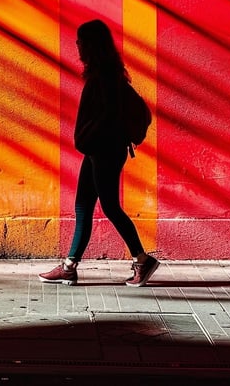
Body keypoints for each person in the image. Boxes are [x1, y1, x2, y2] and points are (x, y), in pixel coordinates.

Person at [39, 19, 159, 287]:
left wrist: (89, 134)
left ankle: (142, 260)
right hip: (98, 150)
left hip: (105, 151)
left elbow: (108, 114)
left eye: (81, 41)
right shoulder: (105, 72)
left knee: (110, 207)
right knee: (83, 206)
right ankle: (70, 266)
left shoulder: (103, 76)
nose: (78, 46)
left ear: (92, 44)